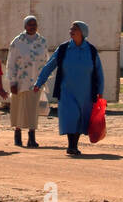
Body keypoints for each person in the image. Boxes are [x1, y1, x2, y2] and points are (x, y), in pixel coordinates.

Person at [35, 21, 104, 157]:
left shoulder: (91, 50)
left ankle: (74, 145)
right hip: (67, 90)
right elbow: (49, 66)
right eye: (71, 28)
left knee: (80, 119)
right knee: (71, 117)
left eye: (75, 28)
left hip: (85, 92)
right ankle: (71, 146)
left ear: (83, 33)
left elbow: (99, 72)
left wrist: (100, 91)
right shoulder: (63, 49)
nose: (71, 30)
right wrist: (39, 82)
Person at [6, 15, 50, 148]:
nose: (32, 27)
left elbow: (46, 61)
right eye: (30, 24)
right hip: (20, 81)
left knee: (33, 109)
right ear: (25, 26)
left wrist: (43, 79)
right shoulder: (17, 41)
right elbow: (11, 63)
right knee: (18, 107)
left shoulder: (42, 42)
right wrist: (12, 82)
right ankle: (17, 135)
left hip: (36, 81)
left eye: (34, 24)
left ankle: (32, 137)